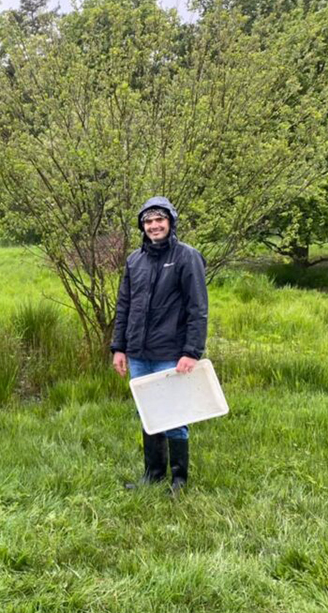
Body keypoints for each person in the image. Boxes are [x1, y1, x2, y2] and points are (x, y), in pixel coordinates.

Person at [110, 197, 208, 492]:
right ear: (143, 226)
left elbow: (197, 308)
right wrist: (119, 347)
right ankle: (153, 474)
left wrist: (191, 351)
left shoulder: (187, 257)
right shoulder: (134, 260)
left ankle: (179, 479)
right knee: (149, 413)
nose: (154, 226)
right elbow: (124, 306)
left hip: (171, 353)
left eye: (159, 220)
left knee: (174, 416)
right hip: (139, 353)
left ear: (170, 221)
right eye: (148, 221)